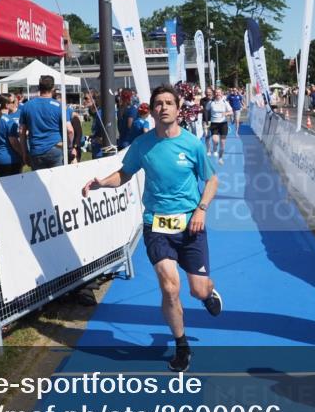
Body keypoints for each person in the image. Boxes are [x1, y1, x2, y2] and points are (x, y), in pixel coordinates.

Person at [82, 83, 222, 372]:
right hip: (156, 224)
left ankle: (209, 293)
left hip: (190, 224)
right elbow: (124, 173)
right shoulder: (142, 145)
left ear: (178, 108)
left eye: (169, 102)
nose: (164, 108)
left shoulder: (192, 144)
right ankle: (182, 345)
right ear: (153, 109)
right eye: (159, 103)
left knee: (197, 290)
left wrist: (201, 210)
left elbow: (211, 180)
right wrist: (99, 183)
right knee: (170, 287)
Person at [19, 75, 71, 170]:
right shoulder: (60, 106)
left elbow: (21, 132)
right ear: (53, 88)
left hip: (36, 150)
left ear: (39, 87)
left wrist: (24, 152)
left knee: (39, 183)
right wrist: (70, 146)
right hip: (56, 148)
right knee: (57, 181)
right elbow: (70, 130)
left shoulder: (27, 106)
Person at [0, 94, 23, 178]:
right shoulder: (9, 121)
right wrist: (23, 154)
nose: (15, 103)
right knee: (13, 188)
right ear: (7, 105)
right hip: (9, 160)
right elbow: (14, 143)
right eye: (13, 102)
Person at [208, 88, 233, 165]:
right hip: (214, 123)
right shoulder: (211, 102)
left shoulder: (225, 102)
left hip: (223, 124)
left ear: (222, 94)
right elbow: (206, 110)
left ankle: (220, 158)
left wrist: (226, 113)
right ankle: (215, 148)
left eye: (219, 93)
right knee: (215, 140)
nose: (218, 94)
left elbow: (231, 111)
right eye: (216, 92)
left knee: (222, 144)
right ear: (214, 94)